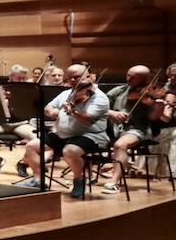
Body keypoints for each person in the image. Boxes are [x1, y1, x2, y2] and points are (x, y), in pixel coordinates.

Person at [20, 64, 110, 199]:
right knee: (31, 146)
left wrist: (73, 111)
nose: (73, 81)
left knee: (69, 151)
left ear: (88, 77)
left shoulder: (99, 98)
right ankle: (39, 180)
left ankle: (79, 180)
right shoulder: (67, 93)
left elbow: (88, 118)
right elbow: (48, 106)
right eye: (70, 78)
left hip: (90, 135)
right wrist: (51, 111)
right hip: (63, 134)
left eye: (77, 77)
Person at [102, 66, 172, 194]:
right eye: (128, 75)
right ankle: (86, 177)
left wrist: (159, 108)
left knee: (120, 145)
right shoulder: (119, 90)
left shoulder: (151, 93)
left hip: (138, 130)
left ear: (145, 79)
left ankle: (114, 182)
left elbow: (153, 117)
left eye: (134, 77)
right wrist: (111, 113)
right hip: (114, 128)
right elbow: (100, 106)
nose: (129, 79)